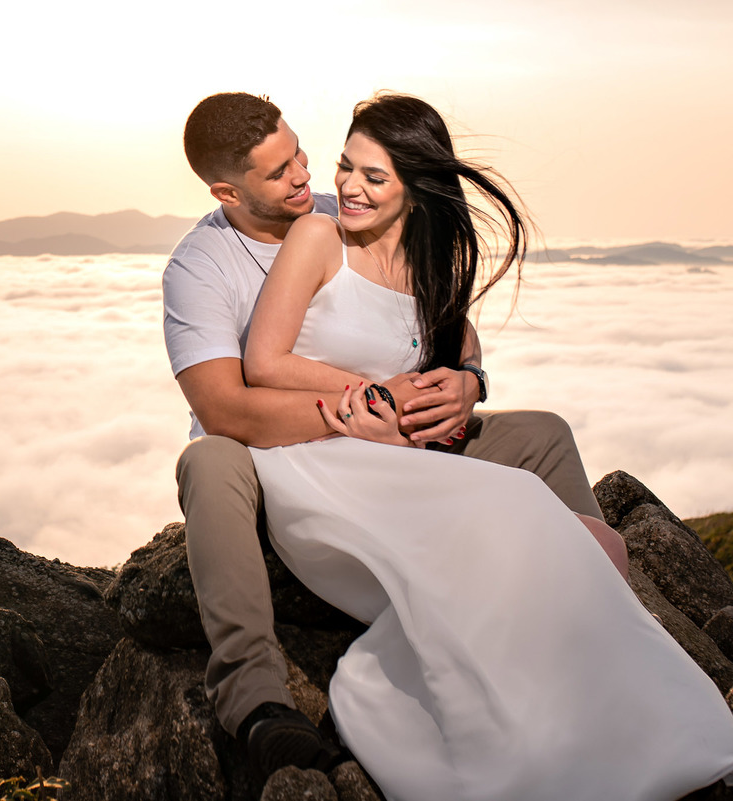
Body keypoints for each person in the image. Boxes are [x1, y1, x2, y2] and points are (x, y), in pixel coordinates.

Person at [242, 92, 733, 799]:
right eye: (347, 166)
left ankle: (585, 726)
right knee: (524, 511)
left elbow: (454, 337)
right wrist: (383, 391)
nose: (348, 186)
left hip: (395, 458)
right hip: (319, 462)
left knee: (580, 542)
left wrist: (468, 377)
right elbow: (264, 362)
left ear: (417, 187)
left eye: (373, 177)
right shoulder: (318, 240)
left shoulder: (428, 259)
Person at [164, 92, 613, 776]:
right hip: (272, 450)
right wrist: (360, 405)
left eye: (302, 156)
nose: (305, 177)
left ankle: (604, 613)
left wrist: (467, 375)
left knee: (542, 435)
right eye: (279, 170)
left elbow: (432, 315)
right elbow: (227, 406)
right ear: (228, 189)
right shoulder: (201, 269)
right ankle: (255, 701)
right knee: (207, 460)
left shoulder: (339, 209)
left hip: (391, 430)